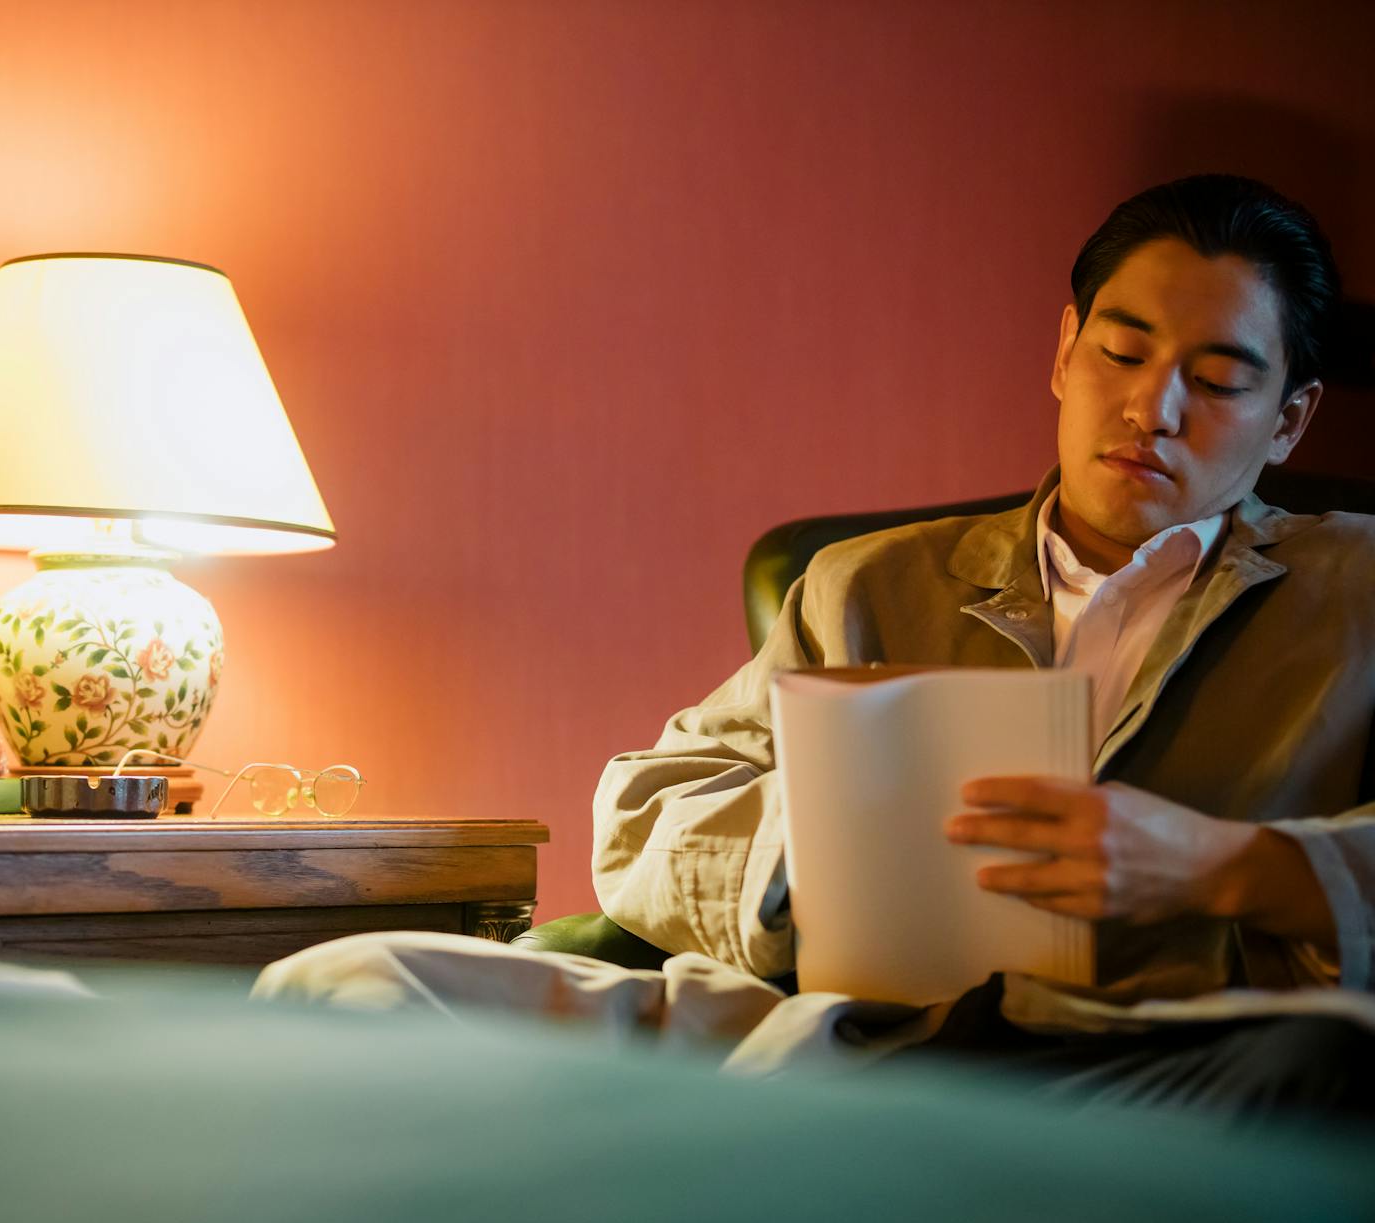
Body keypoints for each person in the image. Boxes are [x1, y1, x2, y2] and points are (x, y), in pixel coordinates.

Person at [258, 175, 1375, 1119]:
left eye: (1220, 381)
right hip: (854, 1034)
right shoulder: (869, 581)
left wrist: (1227, 866)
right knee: (348, 977)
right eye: (1121, 353)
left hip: (1149, 1052)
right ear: (1066, 350)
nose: (1154, 408)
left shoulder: (1356, 591)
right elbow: (651, 807)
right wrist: (830, 841)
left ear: (1290, 418)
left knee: (1324, 1064)